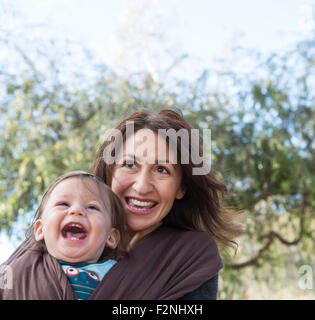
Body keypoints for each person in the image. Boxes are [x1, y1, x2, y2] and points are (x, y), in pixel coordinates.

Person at [92, 108, 243, 300]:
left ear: (181, 188)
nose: (142, 187)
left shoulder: (190, 257)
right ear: (109, 172)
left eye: (161, 170)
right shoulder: (65, 235)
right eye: (130, 165)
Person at [0, 171, 127, 300]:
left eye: (92, 207)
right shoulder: (23, 272)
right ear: (40, 230)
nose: (76, 210)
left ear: (111, 237)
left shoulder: (121, 275)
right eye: (63, 204)